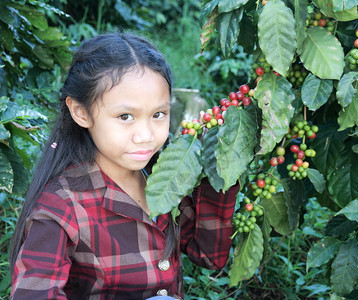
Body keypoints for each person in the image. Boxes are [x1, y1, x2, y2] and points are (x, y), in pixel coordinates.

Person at [9, 32, 239, 299]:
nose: (145, 135)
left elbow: (209, 256)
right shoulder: (62, 207)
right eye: (125, 116)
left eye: (158, 114)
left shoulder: (162, 177)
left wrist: (219, 164)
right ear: (81, 112)